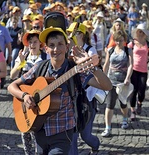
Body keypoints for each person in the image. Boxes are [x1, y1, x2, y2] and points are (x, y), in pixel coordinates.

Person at [7, 27, 112, 154]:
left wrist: (93, 68)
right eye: (51, 45)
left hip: (63, 133)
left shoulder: (75, 71)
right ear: (46, 48)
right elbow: (12, 86)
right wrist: (24, 96)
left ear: (67, 47)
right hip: (40, 131)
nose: (56, 49)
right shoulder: (39, 68)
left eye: (60, 44)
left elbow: (107, 86)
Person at [10, 29, 46, 155]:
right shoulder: (23, 57)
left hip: (40, 99)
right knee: (25, 132)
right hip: (23, 99)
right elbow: (12, 75)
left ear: (40, 43)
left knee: (38, 131)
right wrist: (20, 64)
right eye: (30, 42)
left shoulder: (45, 57)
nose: (32, 44)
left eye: (35, 41)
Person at [67, 22, 101, 155]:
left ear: (80, 35)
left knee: (86, 136)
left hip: (87, 100)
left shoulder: (90, 50)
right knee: (73, 136)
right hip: (73, 100)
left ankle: (96, 145)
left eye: (72, 33)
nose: (69, 35)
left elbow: (90, 73)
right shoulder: (69, 49)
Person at [102, 30, 133, 137]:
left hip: (123, 82)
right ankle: (108, 128)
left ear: (124, 40)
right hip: (111, 81)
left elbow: (130, 65)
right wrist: (102, 77)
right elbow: (106, 64)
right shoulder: (110, 50)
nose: (119, 43)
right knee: (109, 105)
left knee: (123, 103)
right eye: (117, 40)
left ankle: (125, 118)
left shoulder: (128, 50)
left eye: (121, 40)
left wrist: (128, 78)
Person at [128, 24, 149, 121]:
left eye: (141, 31)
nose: (139, 33)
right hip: (134, 69)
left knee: (142, 90)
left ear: (144, 33)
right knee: (133, 90)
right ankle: (132, 111)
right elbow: (126, 53)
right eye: (138, 31)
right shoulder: (132, 43)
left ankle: (139, 103)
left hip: (144, 70)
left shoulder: (147, 44)